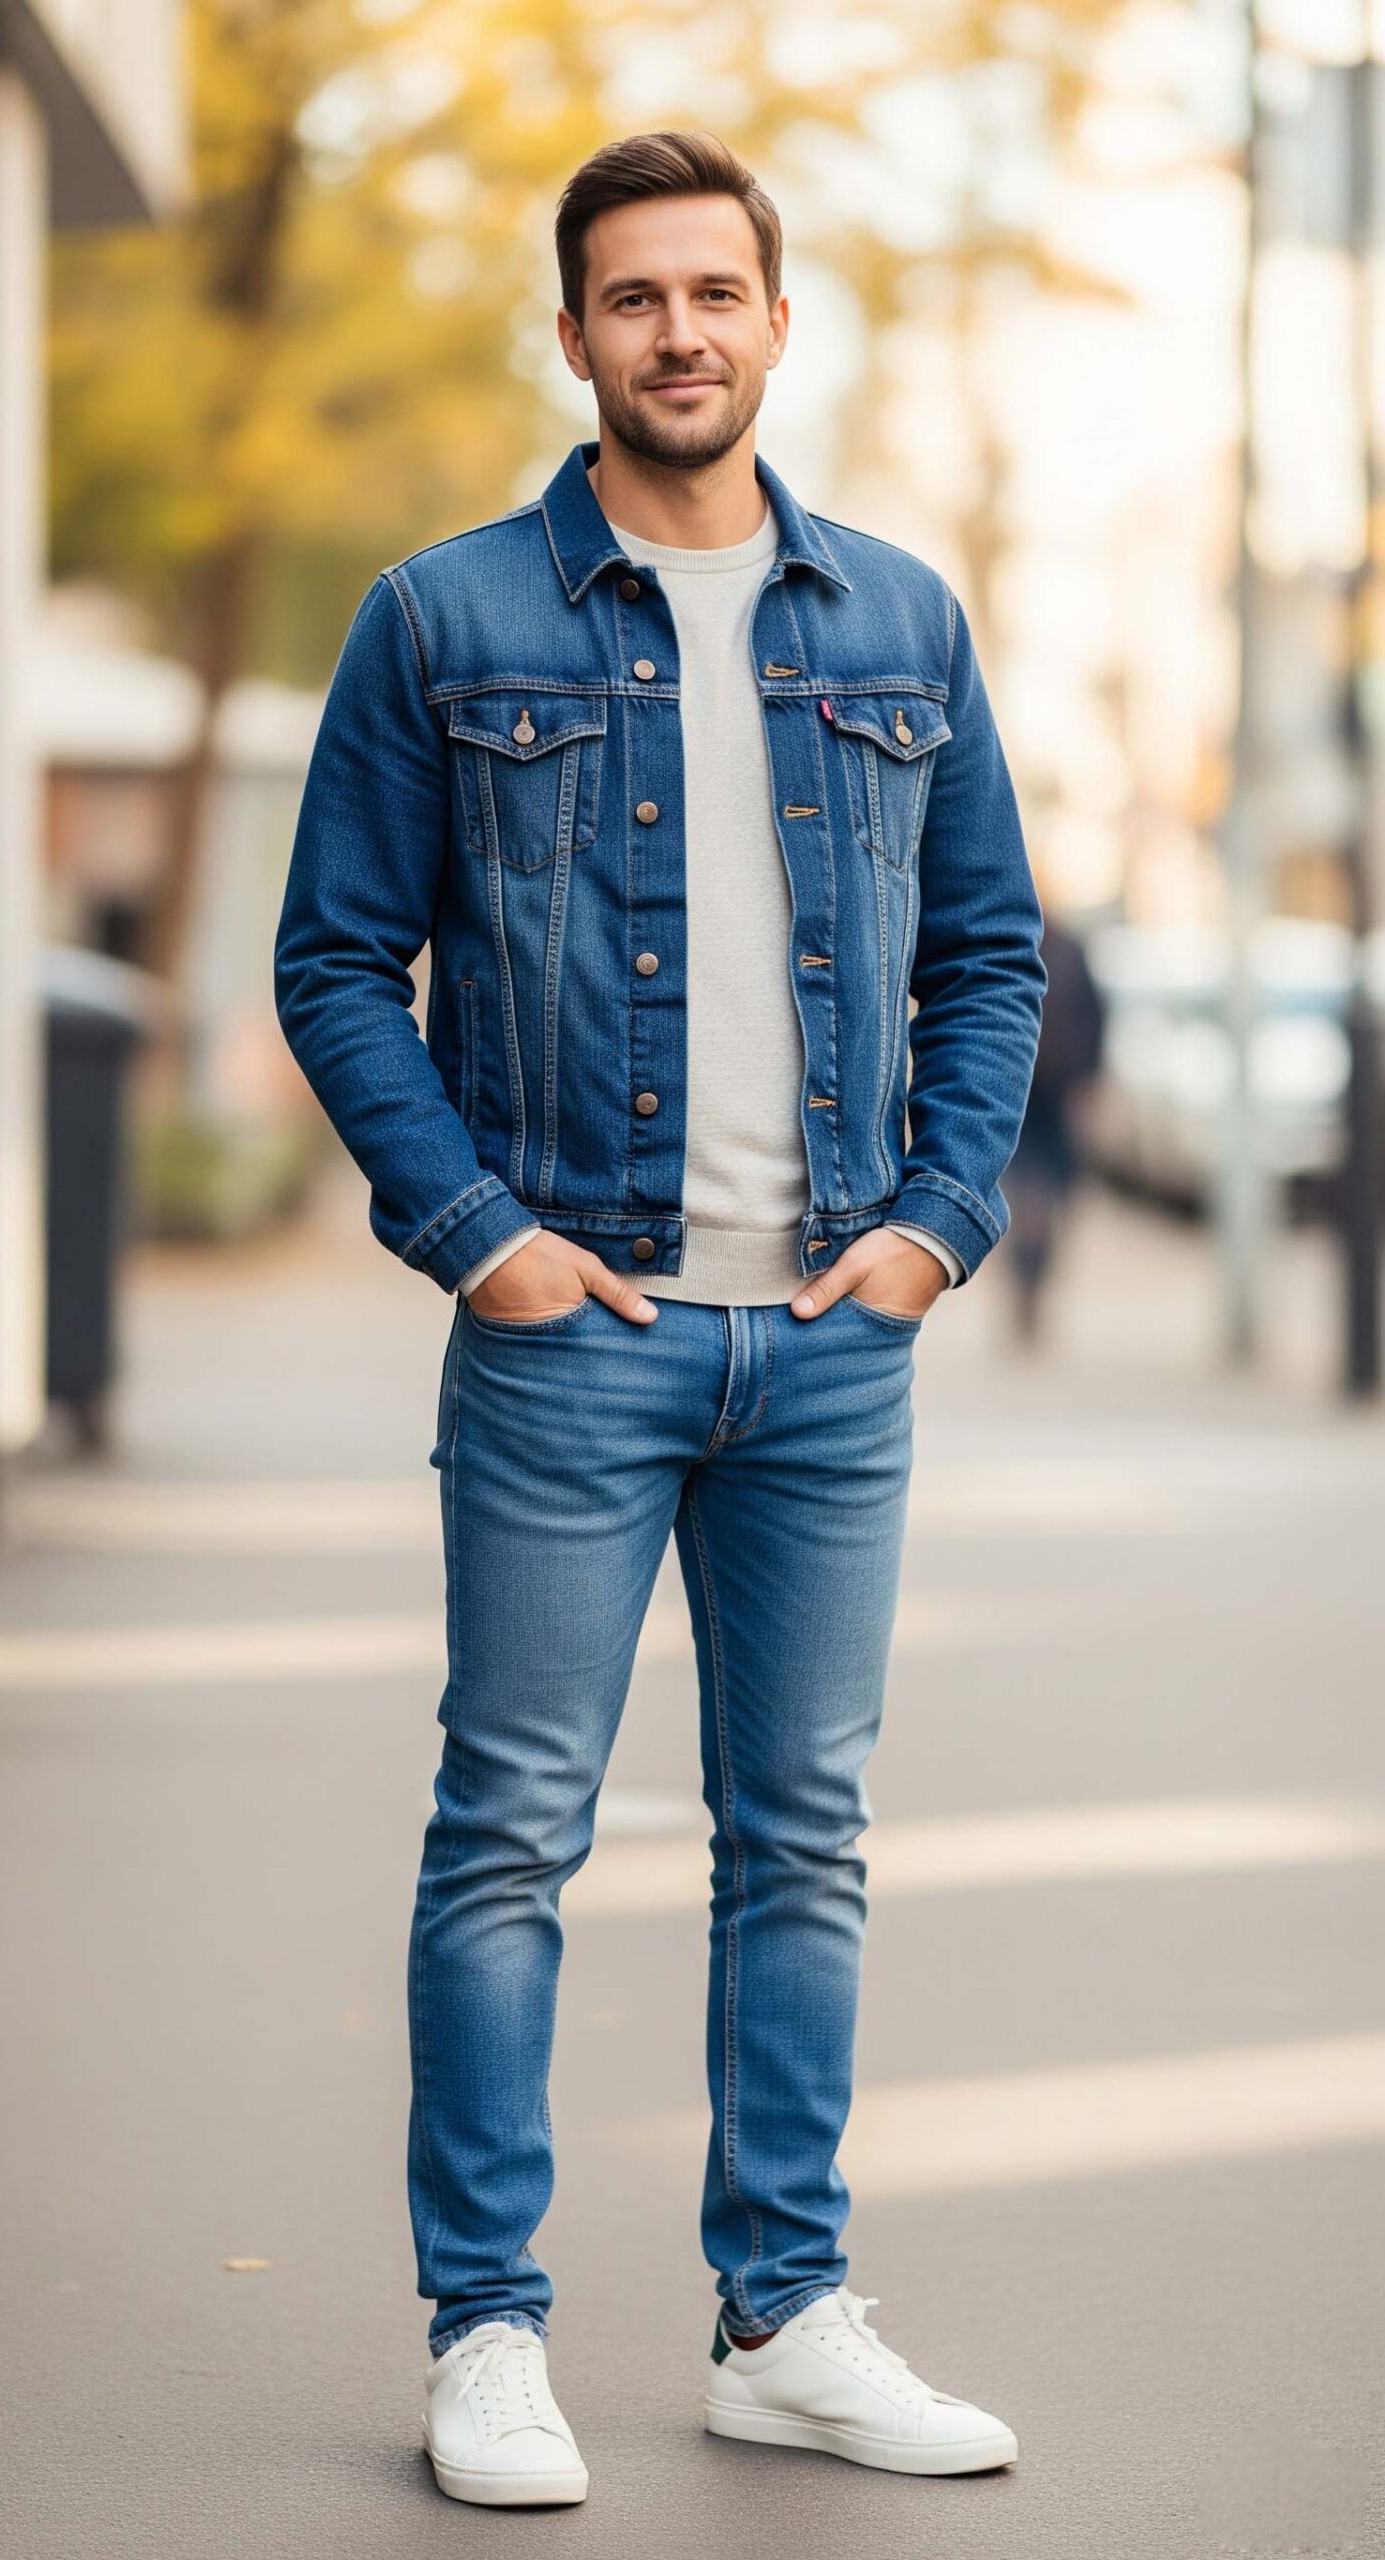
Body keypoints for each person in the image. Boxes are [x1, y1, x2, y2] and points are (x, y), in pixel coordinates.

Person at [275, 129, 1045, 2509]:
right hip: (564, 1336)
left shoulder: (900, 621)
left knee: (797, 1831)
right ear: (577, 329)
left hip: (825, 1340)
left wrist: (926, 1226)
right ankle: (484, 2330)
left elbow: (991, 953)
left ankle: (779, 2309)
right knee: (506, 1827)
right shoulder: (444, 615)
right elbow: (331, 960)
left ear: (773, 325)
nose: (678, 332)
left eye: (717, 293)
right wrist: (478, 1232)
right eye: (633, 298)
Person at [1004, 911, 1105, 1343]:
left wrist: (1090, 1082)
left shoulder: (1070, 951)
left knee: (1056, 1199)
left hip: (1059, 1097)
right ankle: (1026, 1287)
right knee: (1026, 1201)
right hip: (1020, 1096)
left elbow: (1096, 1021)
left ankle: (1035, 1285)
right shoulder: (1010, 944)